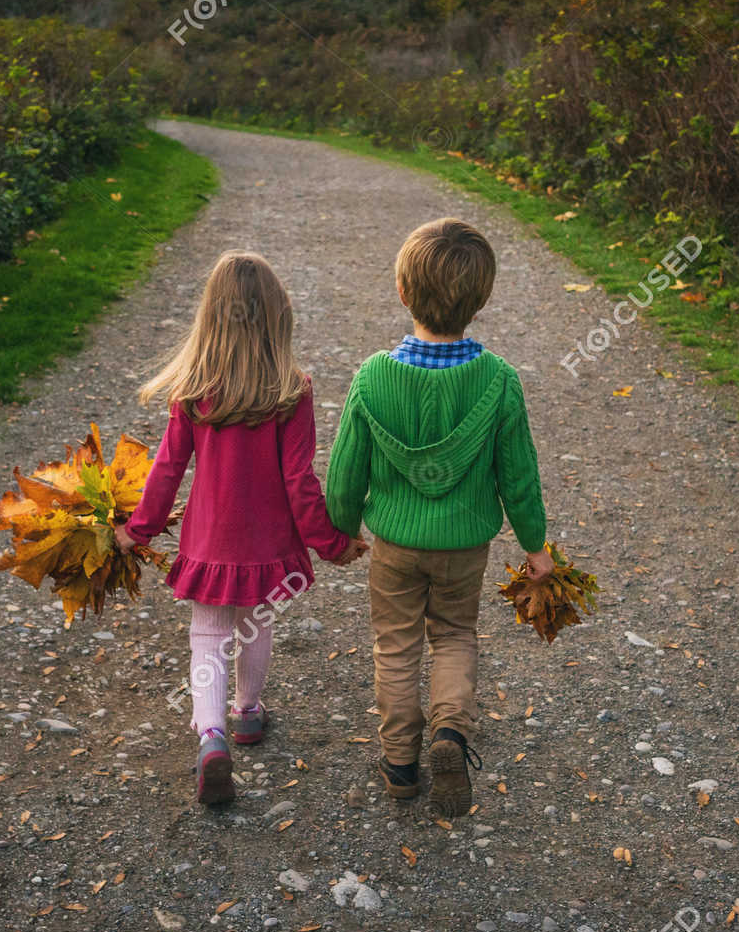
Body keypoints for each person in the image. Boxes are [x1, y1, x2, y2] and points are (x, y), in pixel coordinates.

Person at [117, 251, 367, 805]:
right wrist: (330, 543)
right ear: (278, 317)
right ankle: (248, 712)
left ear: (210, 317)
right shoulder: (291, 390)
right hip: (271, 544)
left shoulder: (195, 390)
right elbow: (300, 480)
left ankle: (211, 736)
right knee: (257, 623)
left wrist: (139, 529)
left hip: (211, 541)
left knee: (209, 634)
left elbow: (167, 467)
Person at [325, 218, 550, 816]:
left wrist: (341, 531)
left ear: (403, 292)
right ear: (481, 300)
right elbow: (519, 474)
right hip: (464, 546)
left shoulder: (373, 377)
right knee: (453, 637)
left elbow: (346, 469)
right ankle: (450, 734)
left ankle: (400, 764)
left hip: (395, 545)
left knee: (395, 649)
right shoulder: (498, 382)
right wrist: (536, 546)